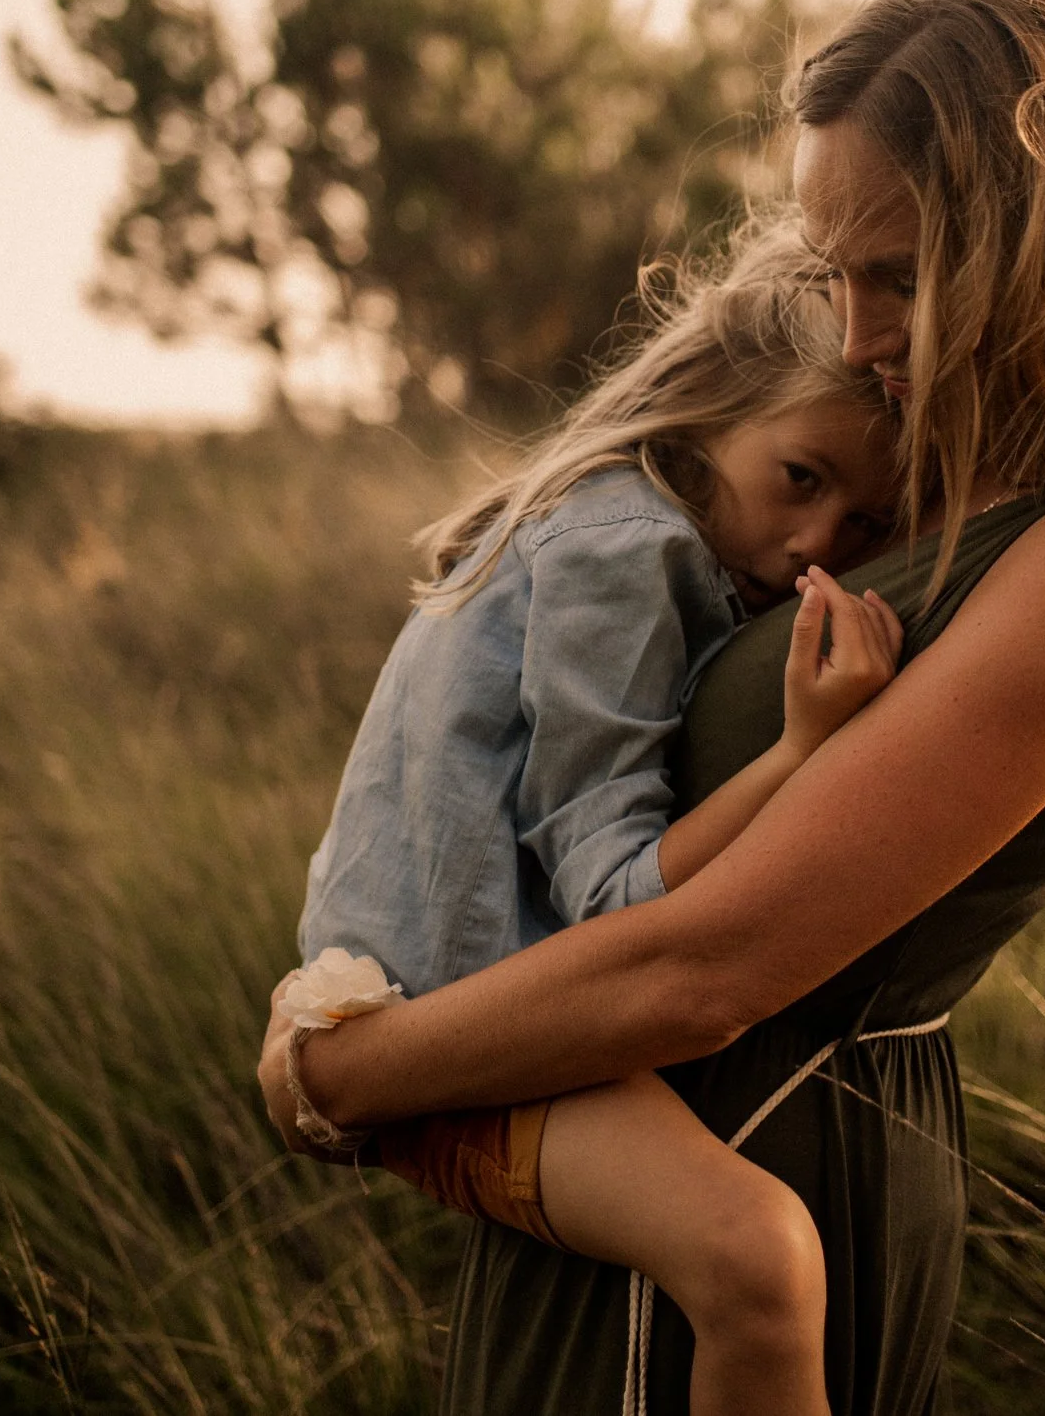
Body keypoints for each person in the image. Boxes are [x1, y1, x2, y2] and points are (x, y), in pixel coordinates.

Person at [259, 0, 1045, 1415]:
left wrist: (342, 1075)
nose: (856, 333)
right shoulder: (890, 478)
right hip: (596, 1140)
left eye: (899, 276)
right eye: (835, 273)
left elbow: (704, 970)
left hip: (753, 1181)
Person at [278, 221, 907, 1416]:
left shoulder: (623, 520)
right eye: (801, 477)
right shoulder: (627, 550)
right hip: (451, 1018)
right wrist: (801, 752)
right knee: (759, 1260)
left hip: (439, 988)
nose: (817, 546)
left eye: (865, 526)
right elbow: (615, 892)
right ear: (710, 408)